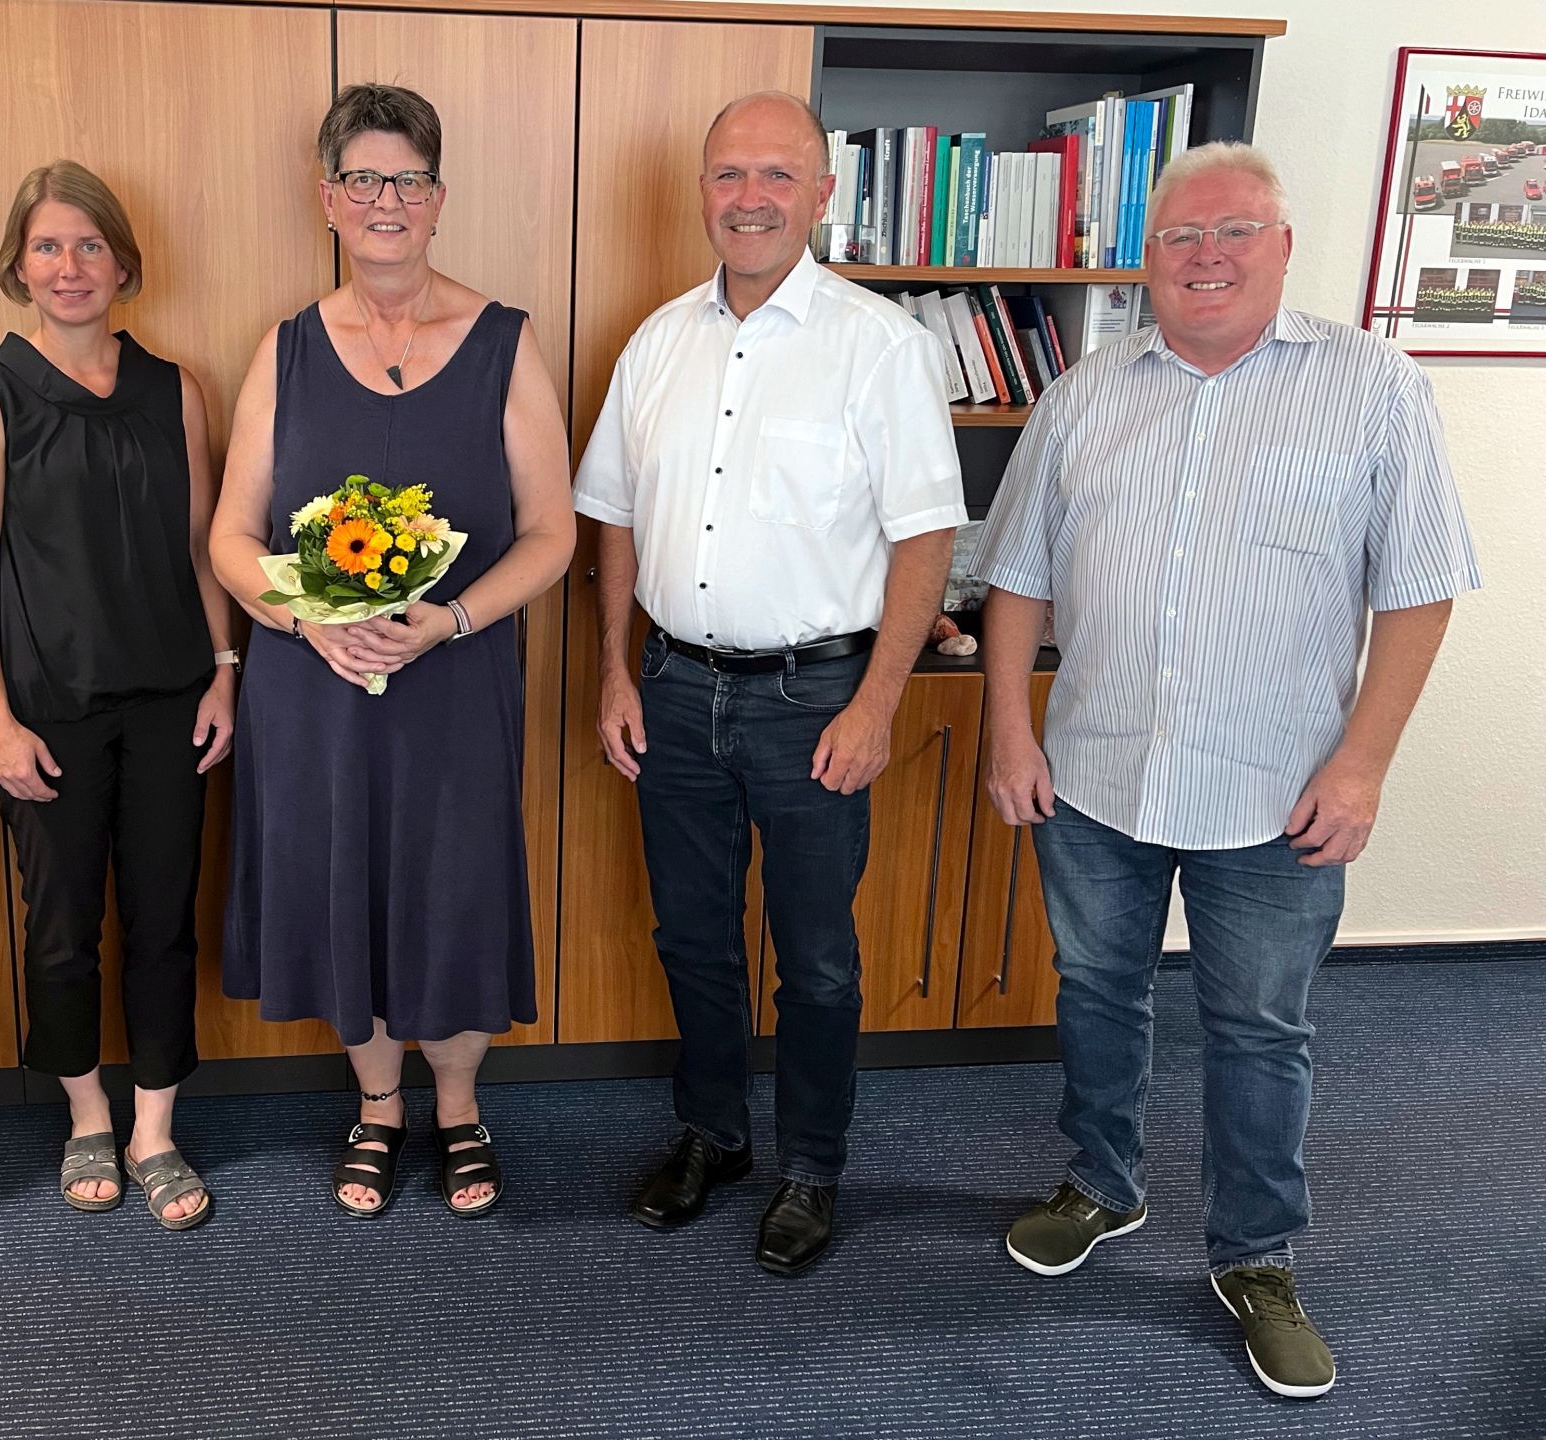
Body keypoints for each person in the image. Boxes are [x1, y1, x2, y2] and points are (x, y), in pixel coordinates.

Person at [974, 142, 1480, 1398]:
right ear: (1146, 258)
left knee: (1259, 1029)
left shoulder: (1371, 386)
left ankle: (1256, 1255)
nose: (1206, 255)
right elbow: (1018, 576)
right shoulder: (1084, 394)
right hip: (1093, 779)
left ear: (1283, 245)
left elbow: (1420, 590)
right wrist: (1008, 731)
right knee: (1098, 995)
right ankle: (1102, 1184)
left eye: (1235, 230)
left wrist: (1364, 766)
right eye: (1180, 236)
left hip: (1279, 793)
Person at [573, 91, 965, 1275]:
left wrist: (878, 704)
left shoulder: (880, 346)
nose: (750, 198)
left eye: (778, 175)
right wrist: (614, 672)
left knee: (817, 960)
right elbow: (613, 518)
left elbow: (926, 539)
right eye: (729, 174)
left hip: (816, 703)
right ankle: (715, 1135)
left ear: (823, 194)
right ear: (702, 190)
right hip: (673, 689)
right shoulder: (657, 342)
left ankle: (812, 1168)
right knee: (691, 938)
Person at [210, 84, 573, 1219]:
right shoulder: (285, 350)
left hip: (454, 680)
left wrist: (453, 619)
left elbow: (553, 533)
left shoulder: (505, 343)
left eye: (408, 180)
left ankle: (458, 1106)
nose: (386, 200)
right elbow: (229, 537)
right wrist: (304, 619)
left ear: (439, 199)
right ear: (328, 198)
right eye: (363, 179)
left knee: (452, 887)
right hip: (313, 686)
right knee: (344, 887)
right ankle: (378, 1106)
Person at [0, 161, 236, 1231]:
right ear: (18, 266)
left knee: (164, 920)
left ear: (123, 262)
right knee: (63, 927)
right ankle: (86, 1117)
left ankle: (155, 1128)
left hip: (171, 703)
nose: (71, 266)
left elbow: (203, 549)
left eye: (90, 245)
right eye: (49, 246)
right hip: (46, 711)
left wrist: (226, 671)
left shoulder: (175, 389)